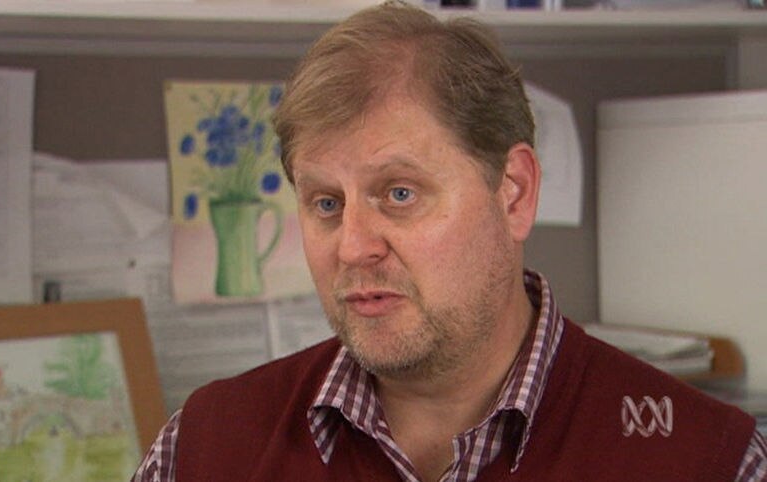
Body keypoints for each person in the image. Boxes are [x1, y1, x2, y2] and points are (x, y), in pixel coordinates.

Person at [132, 2, 767, 480]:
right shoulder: (205, 448)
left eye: (399, 194)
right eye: (327, 203)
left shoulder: (704, 458)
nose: (353, 246)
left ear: (513, 192)